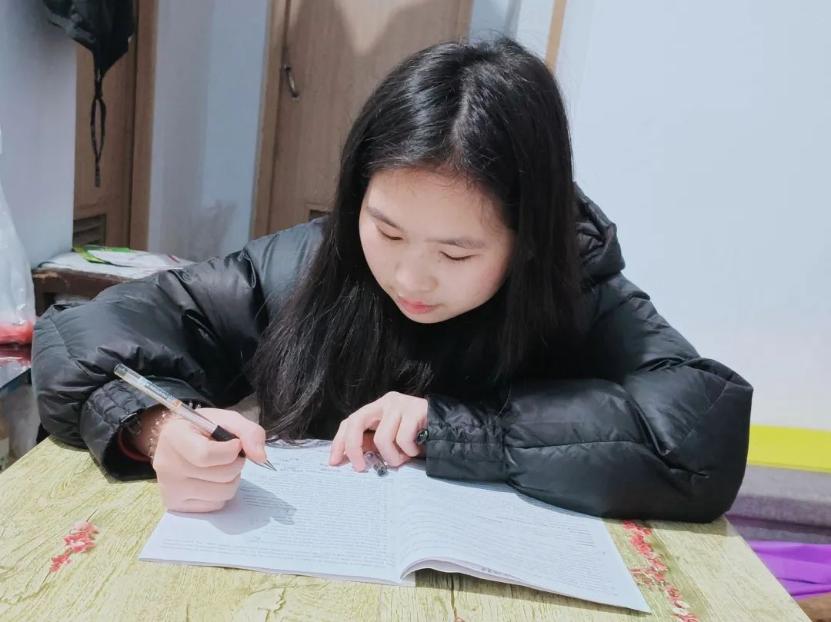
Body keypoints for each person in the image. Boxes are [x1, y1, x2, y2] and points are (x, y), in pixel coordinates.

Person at [33, 38, 751, 520]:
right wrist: (157, 426)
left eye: (457, 253)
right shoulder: (316, 262)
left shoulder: (580, 286)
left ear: (528, 240)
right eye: (387, 229)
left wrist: (461, 430)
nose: (409, 276)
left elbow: (700, 431)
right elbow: (82, 332)